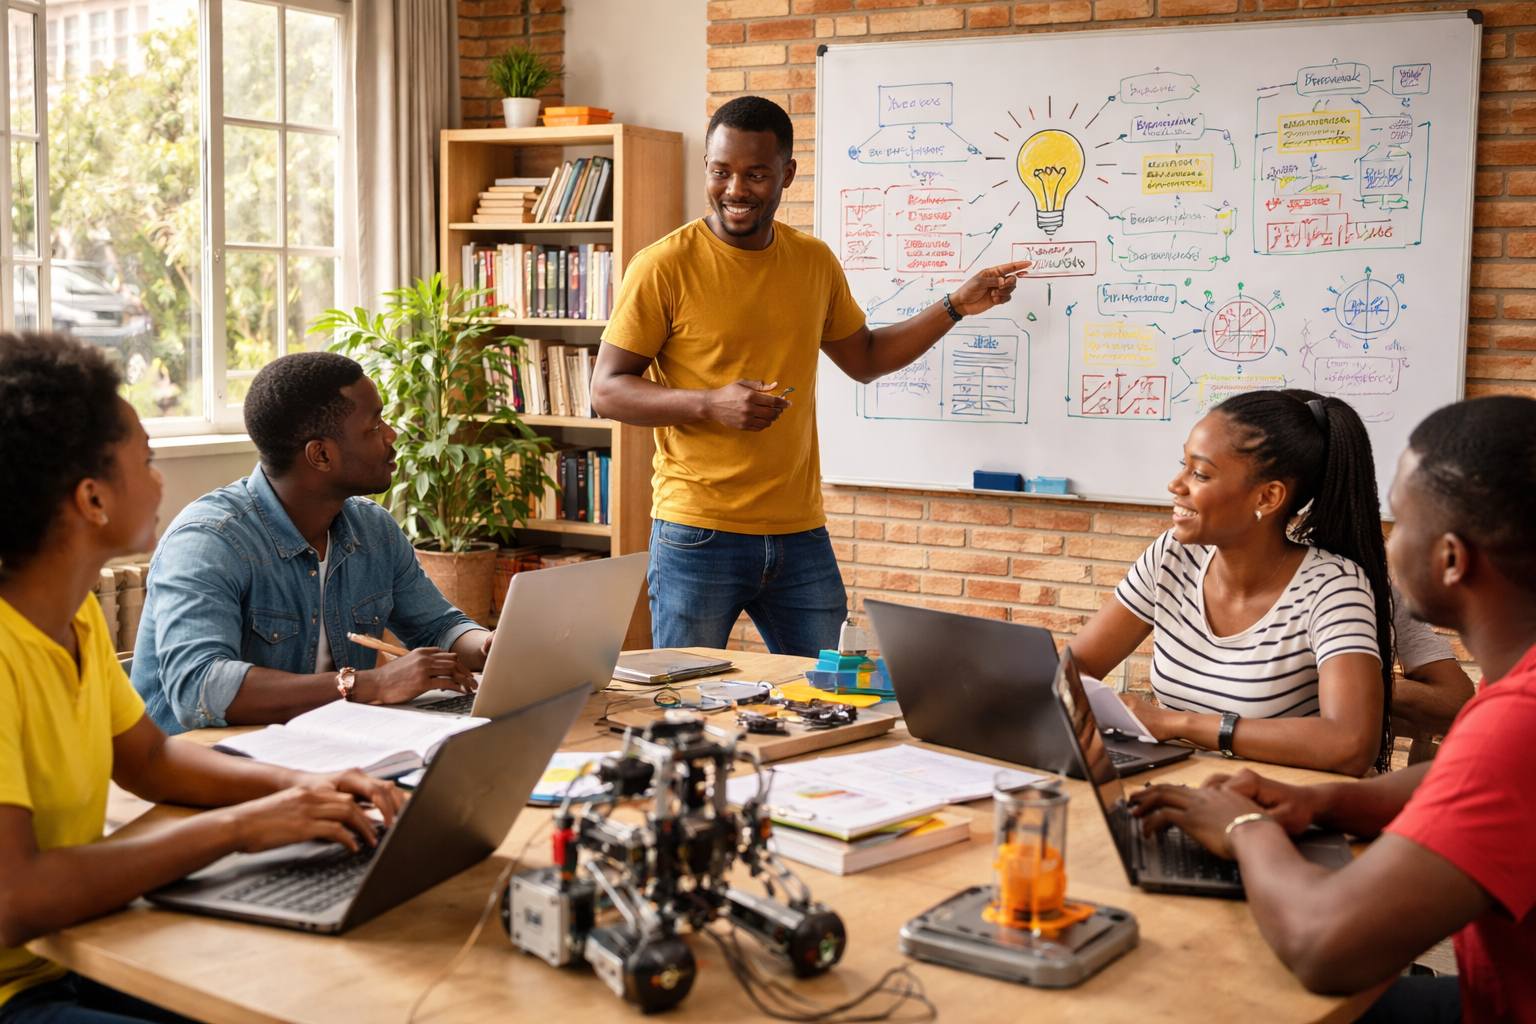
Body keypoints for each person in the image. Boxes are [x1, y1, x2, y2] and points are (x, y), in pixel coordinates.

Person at [0, 333, 401, 1023]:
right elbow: (15, 899)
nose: (160, 482)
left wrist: (306, 787)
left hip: (72, 950)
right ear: (92, 499)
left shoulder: (74, 617)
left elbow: (150, 761)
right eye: (147, 462)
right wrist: (240, 827)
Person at [1128, 395, 1536, 1024]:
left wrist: (1245, 827)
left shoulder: (1516, 724)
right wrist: (1321, 802)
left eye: (1403, 521)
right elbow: (1467, 780)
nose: (1386, 546)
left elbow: (1324, 946)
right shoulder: (1515, 710)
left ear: (1452, 559)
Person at [589, 96, 1028, 657]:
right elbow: (606, 391)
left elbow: (866, 358)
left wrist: (955, 306)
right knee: (686, 694)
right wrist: (708, 403)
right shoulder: (663, 265)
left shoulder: (813, 262)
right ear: (706, 167)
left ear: (787, 174)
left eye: (755, 175)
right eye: (721, 172)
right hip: (697, 531)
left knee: (831, 695)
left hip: (798, 533)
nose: (735, 189)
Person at [1072, 388, 1439, 776]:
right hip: (1180, 788)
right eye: (1184, 464)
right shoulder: (1173, 555)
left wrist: (1178, 724)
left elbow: (1350, 744)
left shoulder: (1334, 587)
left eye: (1200, 474)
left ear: (1267, 497)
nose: (1175, 485)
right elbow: (1075, 666)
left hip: (1279, 801)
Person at [131, 352, 493, 734]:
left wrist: (490, 645)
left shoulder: (375, 530)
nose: (392, 435)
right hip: (210, 760)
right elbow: (199, 687)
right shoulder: (208, 542)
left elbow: (440, 628)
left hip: (326, 748)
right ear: (321, 455)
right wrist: (369, 684)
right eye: (374, 427)